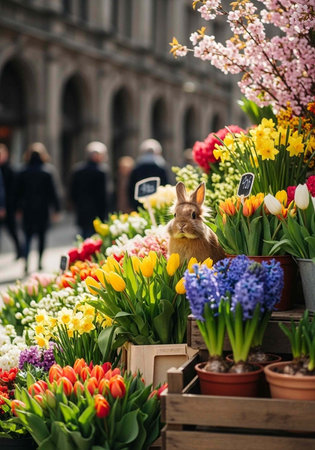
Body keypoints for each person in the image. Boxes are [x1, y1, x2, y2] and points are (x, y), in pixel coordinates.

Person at [16, 143, 61, 273]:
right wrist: (56, 209)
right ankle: (40, 262)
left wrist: (18, 209)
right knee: (42, 237)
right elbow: (53, 192)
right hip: (43, 209)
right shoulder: (47, 171)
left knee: (27, 237)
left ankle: (26, 262)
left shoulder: (23, 171)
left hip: (27, 209)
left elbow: (17, 193)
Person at [70, 141, 110, 238]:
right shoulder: (101, 171)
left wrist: (76, 203)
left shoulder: (78, 170)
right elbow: (104, 194)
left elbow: (72, 191)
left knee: (84, 234)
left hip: (82, 208)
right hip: (97, 210)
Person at [127, 139, 171, 211]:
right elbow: (165, 185)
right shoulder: (161, 168)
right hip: (158, 205)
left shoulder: (136, 168)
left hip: (139, 204)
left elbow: (131, 188)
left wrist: (132, 204)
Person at [0, 144, 22, 259]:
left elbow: (15, 191)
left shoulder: (10, 170)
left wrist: (16, 207)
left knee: (12, 231)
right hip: (4, 206)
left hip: (9, 206)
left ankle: (20, 250)